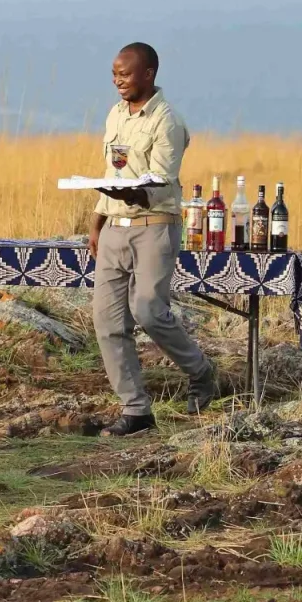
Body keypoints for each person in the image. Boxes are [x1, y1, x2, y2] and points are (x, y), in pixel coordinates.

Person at [87, 42, 218, 437]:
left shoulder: (167, 122)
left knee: (147, 310)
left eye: (125, 74)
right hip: (114, 228)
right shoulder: (115, 115)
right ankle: (136, 410)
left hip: (154, 226)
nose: (118, 82)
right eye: (114, 74)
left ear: (148, 75)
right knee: (107, 321)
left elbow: (159, 184)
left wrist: (131, 195)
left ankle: (200, 370)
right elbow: (110, 170)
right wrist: (96, 218)